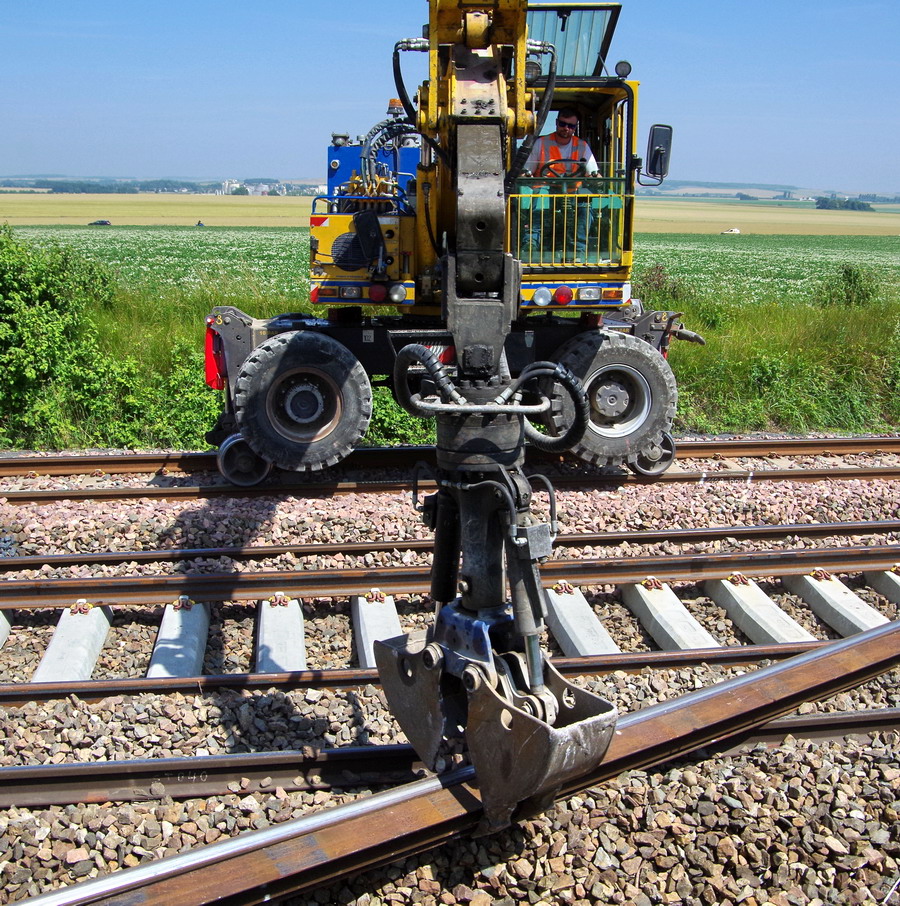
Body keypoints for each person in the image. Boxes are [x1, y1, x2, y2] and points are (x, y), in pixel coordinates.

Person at [521, 108, 598, 263]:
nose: (566, 128)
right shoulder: (541, 143)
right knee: (539, 200)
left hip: (572, 191)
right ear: (556, 123)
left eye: (571, 126)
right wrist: (526, 175)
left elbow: (593, 172)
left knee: (585, 204)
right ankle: (531, 244)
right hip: (545, 188)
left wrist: (596, 178)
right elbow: (527, 171)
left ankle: (578, 251)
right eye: (563, 124)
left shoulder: (582, 146)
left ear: (575, 127)